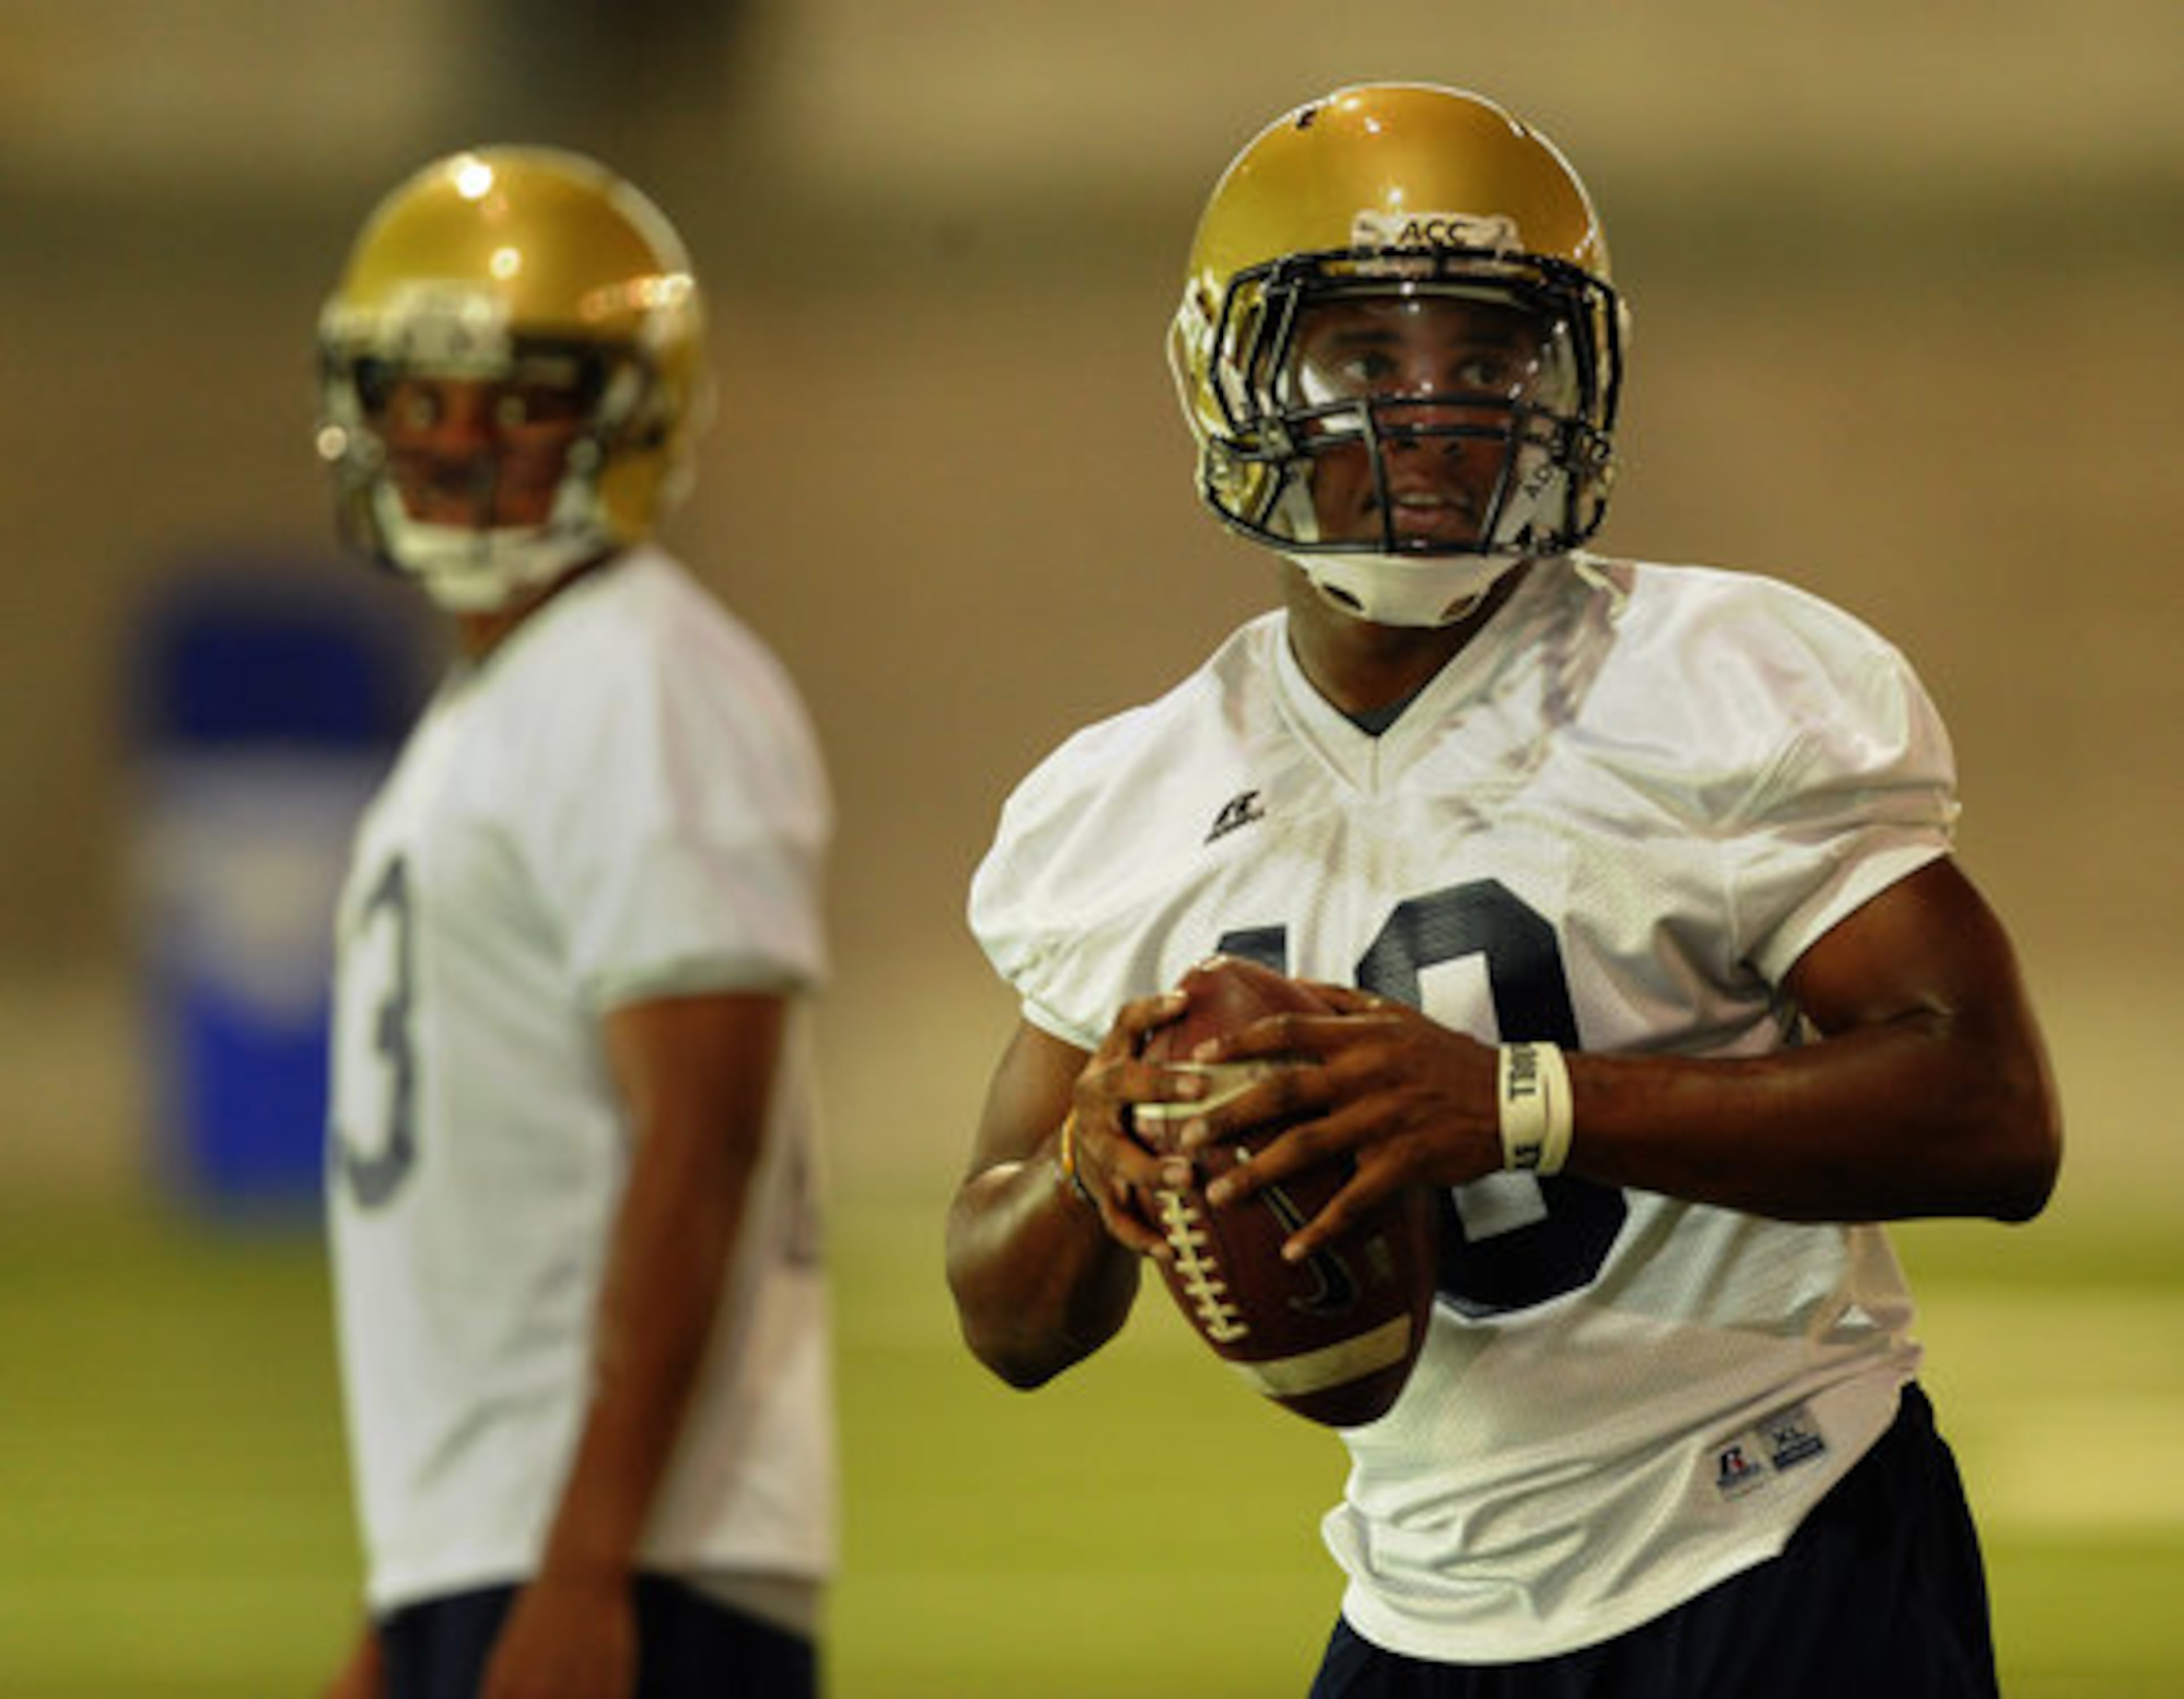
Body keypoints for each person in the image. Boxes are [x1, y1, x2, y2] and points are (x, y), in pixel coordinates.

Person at [945, 83, 2061, 1697]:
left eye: (1488, 360)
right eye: (1368, 359)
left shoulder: (1720, 680)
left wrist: (1519, 1106)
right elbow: (1006, 1313)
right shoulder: (1121, 803)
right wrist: (1088, 1164)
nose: (1438, 410)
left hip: (1778, 1539)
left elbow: (1993, 1111)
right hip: (1421, 1613)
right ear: (1235, 376)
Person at [314, 146, 834, 1698]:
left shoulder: (641, 673)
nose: (458, 439)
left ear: (628, 414)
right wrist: (407, 1600)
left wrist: (588, 1560)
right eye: (421, 396)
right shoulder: (506, 702)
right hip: (500, 1546)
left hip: (634, 1563)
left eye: (519, 397)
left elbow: (705, 1133)